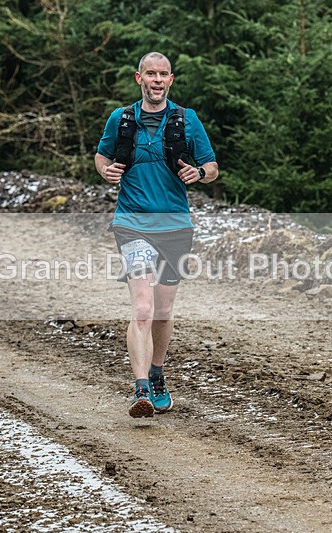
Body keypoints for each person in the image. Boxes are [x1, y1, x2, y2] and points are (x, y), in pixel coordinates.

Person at [95, 52, 218, 418]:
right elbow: (101, 156)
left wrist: (200, 173)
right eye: (151, 73)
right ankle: (141, 389)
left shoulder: (186, 120)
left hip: (176, 227)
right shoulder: (121, 119)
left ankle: (158, 373)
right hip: (132, 224)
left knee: (164, 310)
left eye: (163, 74)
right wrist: (105, 171)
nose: (157, 79)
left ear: (171, 79)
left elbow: (211, 166)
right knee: (144, 308)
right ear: (139, 78)